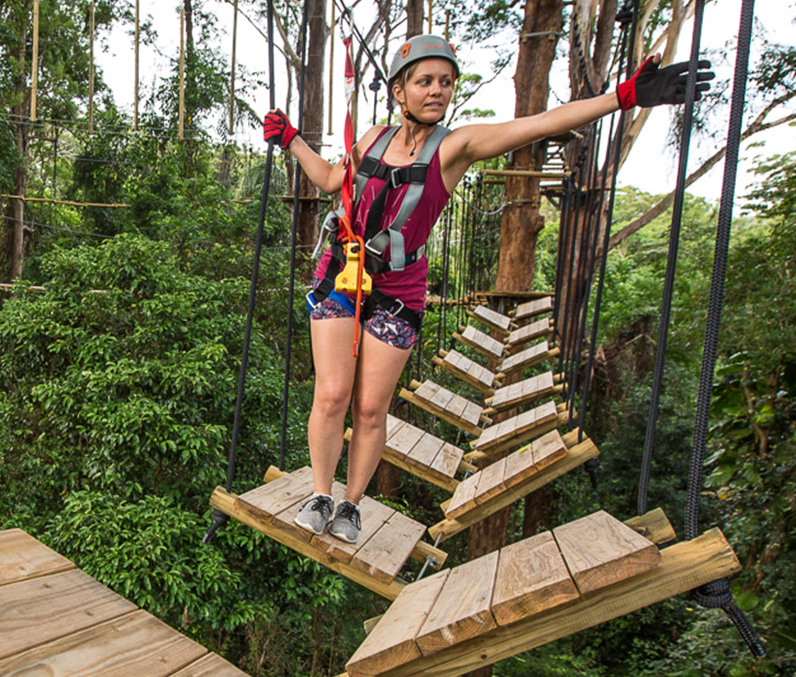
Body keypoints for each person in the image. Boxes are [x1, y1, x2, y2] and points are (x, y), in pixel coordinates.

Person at [263, 34, 712, 544]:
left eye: (446, 83)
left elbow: (537, 125)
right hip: (341, 273)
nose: (437, 91)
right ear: (399, 90)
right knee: (332, 393)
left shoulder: (457, 147)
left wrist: (623, 98)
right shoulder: (370, 139)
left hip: (399, 286)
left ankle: (350, 505)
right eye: (425, 81)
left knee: (369, 408)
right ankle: (322, 492)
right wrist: (293, 139)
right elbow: (328, 180)